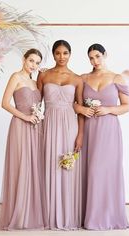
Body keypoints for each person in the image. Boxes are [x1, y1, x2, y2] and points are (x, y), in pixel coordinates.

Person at [75, 43, 129, 230]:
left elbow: (126, 106)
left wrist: (108, 109)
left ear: (105, 55)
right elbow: (74, 104)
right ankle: (90, 218)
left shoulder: (117, 78)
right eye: (91, 58)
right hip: (90, 130)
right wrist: (82, 111)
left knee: (107, 172)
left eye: (98, 56)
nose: (95, 61)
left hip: (109, 130)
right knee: (91, 171)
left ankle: (109, 217)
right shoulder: (83, 78)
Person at [0, 49, 46, 230]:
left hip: (36, 127)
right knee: (21, 166)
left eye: (37, 62)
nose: (33, 64)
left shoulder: (35, 82)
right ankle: (19, 214)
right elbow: (5, 103)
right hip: (20, 125)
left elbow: (40, 104)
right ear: (24, 59)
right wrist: (25, 117)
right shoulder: (16, 77)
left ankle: (31, 212)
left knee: (34, 167)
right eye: (31, 60)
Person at [37, 40, 84, 230]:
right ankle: (48, 214)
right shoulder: (44, 75)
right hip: (48, 124)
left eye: (65, 53)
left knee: (67, 168)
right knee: (49, 166)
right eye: (57, 53)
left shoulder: (77, 79)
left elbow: (80, 109)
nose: (61, 57)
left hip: (69, 126)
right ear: (53, 54)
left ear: (70, 54)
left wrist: (80, 135)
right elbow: (35, 101)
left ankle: (68, 215)